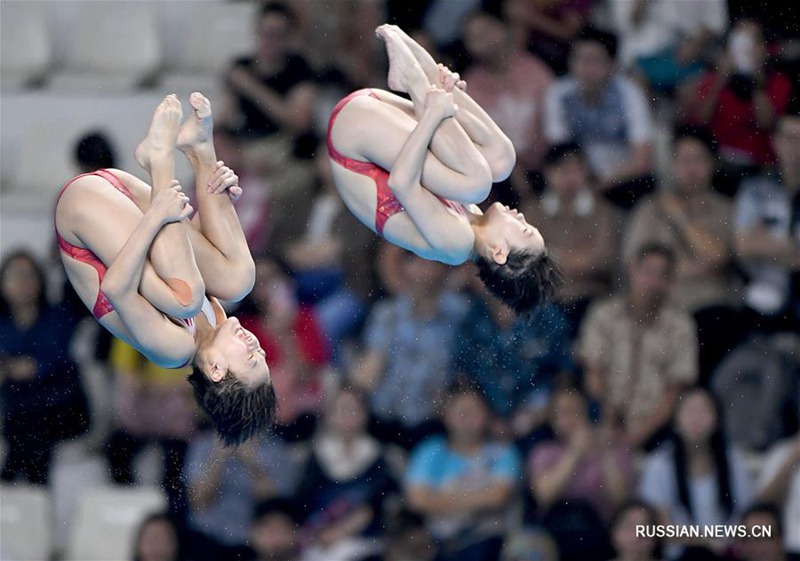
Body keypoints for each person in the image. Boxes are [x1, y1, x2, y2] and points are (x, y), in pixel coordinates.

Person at [54, 92, 275, 446]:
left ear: (216, 371)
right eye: (262, 354)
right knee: (238, 280)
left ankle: (159, 160)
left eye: (251, 359)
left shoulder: (173, 350)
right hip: (128, 202)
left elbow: (115, 287)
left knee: (186, 298)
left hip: (83, 214)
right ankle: (200, 149)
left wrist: (158, 213)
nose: (256, 345)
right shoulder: (216, 318)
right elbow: (188, 248)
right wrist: (219, 198)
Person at [328, 24, 562, 315]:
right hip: (377, 118)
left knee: (478, 182)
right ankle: (439, 87)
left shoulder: (457, 244)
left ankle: (425, 87)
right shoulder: (473, 217)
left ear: (499, 253)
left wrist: (435, 115)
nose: (522, 217)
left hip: (353, 141)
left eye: (524, 230)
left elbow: (402, 183)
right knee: (501, 160)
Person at [577, 243, 699, 451]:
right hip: (605, 415)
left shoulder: (681, 326)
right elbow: (594, 373)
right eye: (648, 272)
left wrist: (637, 436)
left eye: (663, 275)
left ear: (670, 281)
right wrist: (608, 418)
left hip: (656, 426)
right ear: (632, 270)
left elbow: (674, 392)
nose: (653, 282)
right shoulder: (604, 314)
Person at [0, 250, 91, 485]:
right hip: (15, 410)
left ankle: (17, 484)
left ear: (40, 279)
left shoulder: (58, 317)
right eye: (15, 275)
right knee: (23, 419)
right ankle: (26, 490)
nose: (22, 282)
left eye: (28, 275)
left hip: (59, 407)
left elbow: (57, 364)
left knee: (30, 421)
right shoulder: (3, 323)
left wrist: (29, 368)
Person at [404, 381, 522, 561]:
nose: (466, 418)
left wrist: (440, 498)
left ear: (487, 414)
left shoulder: (503, 452)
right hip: (439, 543)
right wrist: (477, 497)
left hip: (489, 541)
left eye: (474, 411)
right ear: (446, 414)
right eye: (460, 411)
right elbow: (417, 499)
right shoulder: (430, 451)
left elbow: (498, 497)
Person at [543, 26, 655, 209]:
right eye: (579, 59)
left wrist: (600, 186)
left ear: (612, 65)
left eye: (594, 60)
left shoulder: (629, 93)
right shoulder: (558, 93)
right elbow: (559, 150)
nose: (586, 68)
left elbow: (641, 158)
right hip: (577, 176)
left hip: (621, 177)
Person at [639, 387, 753, 556]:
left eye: (703, 410)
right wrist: (707, 542)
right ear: (675, 421)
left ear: (717, 420)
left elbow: (747, 517)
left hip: (727, 554)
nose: (696, 418)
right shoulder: (660, 465)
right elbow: (663, 527)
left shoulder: (734, 461)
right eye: (689, 411)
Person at [294, 385, 396, 561]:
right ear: (329, 415)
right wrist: (320, 533)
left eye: (354, 409)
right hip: (319, 542)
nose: (348, 416)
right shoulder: (314, 455)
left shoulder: (378, 456)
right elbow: (303, 503)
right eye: (342, 409)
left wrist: (340, 531)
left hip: (365, 545)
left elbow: (378, 504)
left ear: (366, 414)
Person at [733, 104, 800, 334]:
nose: (795, 148)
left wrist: (769, 244)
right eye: (790, 138)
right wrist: (792, 250)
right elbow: (744, 246)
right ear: (776, 141)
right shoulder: (756, 190)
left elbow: (757, 245)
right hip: (764, 291)